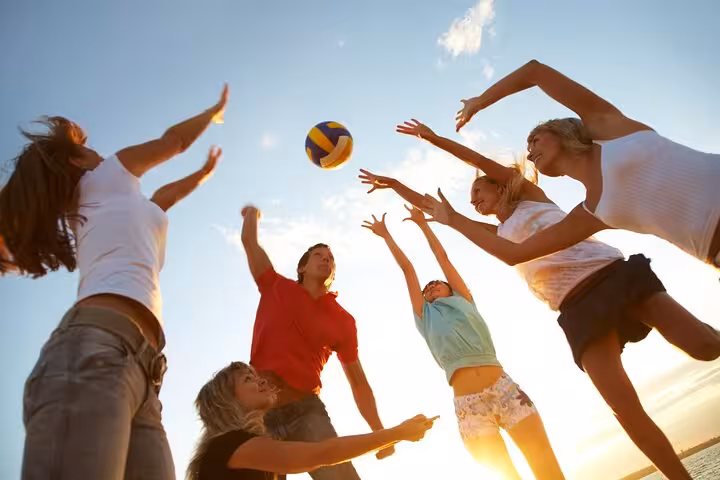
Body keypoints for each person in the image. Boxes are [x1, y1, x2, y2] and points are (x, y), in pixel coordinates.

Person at [358, 118, 719, 480]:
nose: (475, 202)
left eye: (479, 193)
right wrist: (395, 186)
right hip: (576, 307)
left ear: (500, 186)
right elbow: (440, 213)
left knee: (703, 345)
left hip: (611, 276)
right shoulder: (495, 232)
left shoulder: (530, 196)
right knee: (623, 408)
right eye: (471, 201)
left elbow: (477, 161)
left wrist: (434, 139)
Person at [2, 85, 228, 480]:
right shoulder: (105, 178)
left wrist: (204, 174)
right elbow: (173, 141)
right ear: (77, 162)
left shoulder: (119, 198)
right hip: (95, 351)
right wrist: (213, 111)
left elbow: (167, 196)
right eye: (90, 150)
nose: (101, 153)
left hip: (144, 370)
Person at [452, 59, 720, 269]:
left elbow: (534, 71)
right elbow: (515, 254)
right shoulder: (591, 213)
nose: (530, 153)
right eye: (528, 149)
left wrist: (479, 101)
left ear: (558, 130)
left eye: (534, 140)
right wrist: (450, 218)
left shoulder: (611, 129)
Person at [361, 207, 564, 480]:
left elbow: (441, 257)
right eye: (427, 288)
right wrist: (386, 235)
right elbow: (408, 269)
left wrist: (423, 225)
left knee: (546, 468)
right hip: (469, 406)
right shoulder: (425, 316)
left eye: (437, 284)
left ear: (451, 289)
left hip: (504, 390)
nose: (431, 287)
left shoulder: (464, 301)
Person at [239, 204, 393, 480]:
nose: (326, 260)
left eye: (331, 258)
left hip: (306, 410)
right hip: (258, 411)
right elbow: (250, 243)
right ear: (302, 267)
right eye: (318, 255)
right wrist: (252, 215)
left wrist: (379, 431)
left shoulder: (342, 320)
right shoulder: (275, 286)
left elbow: (358, 382)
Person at [186, 361, 437, 480]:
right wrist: (398, 433)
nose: (261, 380)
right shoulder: (229, 447)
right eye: (248, 380)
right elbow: (323, 453)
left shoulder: (245, 448)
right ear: (227, 400)